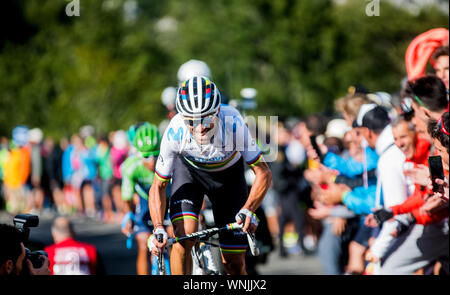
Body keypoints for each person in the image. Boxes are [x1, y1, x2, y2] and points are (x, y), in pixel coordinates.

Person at [148, 76, 272, 275]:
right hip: (190, 176)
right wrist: (158, 227)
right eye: (191, 120)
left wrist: (249, 209)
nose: (200, 127)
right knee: (183, 236)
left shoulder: (233, 122)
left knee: (234, 263)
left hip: (228, 180)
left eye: (207, 117)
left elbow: (263, 172)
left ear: (219, 111)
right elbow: (158, 185)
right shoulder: (174, 130)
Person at [120, 122, 171, 275]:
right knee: (143, 245)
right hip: (144, 205)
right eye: (146, 156)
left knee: (174, 240)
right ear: (137, 153)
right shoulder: (131, 166)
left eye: (156, 154)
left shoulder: (169, 160)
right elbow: (127, 198)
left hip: (166, 203)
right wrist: (129, 215)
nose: (152, 161)